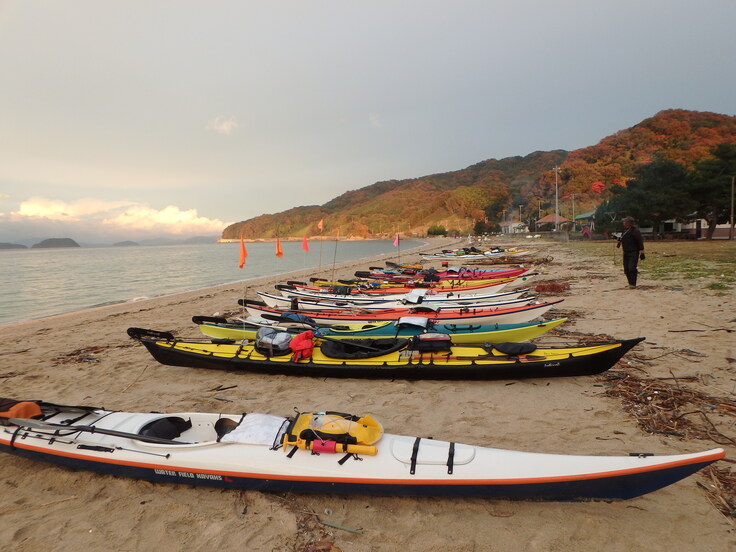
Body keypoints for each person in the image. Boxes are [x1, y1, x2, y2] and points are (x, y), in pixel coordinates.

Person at [616, 216, 645, 288]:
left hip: (633, 252)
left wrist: (642, 253)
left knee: (632, 268)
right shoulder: (625, 231)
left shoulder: (635, 231)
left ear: (628, 223)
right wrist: (618, 241)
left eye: (624, 221)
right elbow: (622, 238)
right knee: (626, 269)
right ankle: (630, 283)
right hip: (625, 252)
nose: (623, 223)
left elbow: (640, 242)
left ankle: (633, 284)